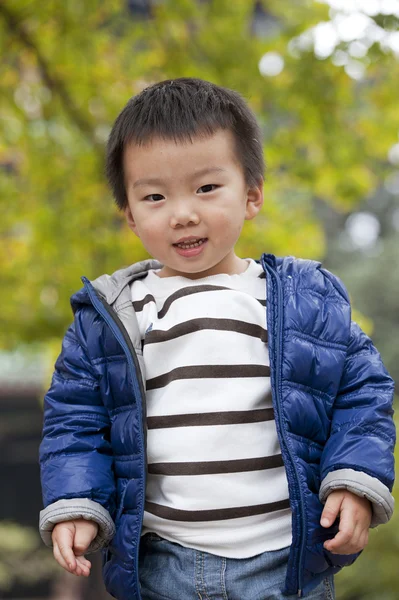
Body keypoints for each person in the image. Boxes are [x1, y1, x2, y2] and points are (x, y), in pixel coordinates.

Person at [39, 78, 395, 600]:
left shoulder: (301, 299)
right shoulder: (110, 316)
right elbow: (75, 419)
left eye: (206, 188)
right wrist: (77, 502)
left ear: (251, 195)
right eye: (155, 196)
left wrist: (352, 478)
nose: (183, 212)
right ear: (131, 215)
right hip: (161, 567)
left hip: (285, 564)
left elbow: (361, 392)